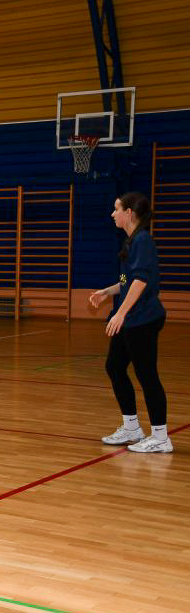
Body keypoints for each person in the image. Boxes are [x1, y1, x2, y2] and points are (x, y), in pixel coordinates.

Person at [90, 191, 170, 453]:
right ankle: (132, 427)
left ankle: (160, 437)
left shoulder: (143, 240)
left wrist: (120, 313)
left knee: (147, 375)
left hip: (143, 319)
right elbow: (127, 281)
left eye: (116, 209)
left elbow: (141, 281)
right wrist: (107, 292)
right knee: (115, 367)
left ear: (129, 213)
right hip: (130, 319)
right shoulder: (130, 241)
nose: (112, 214)